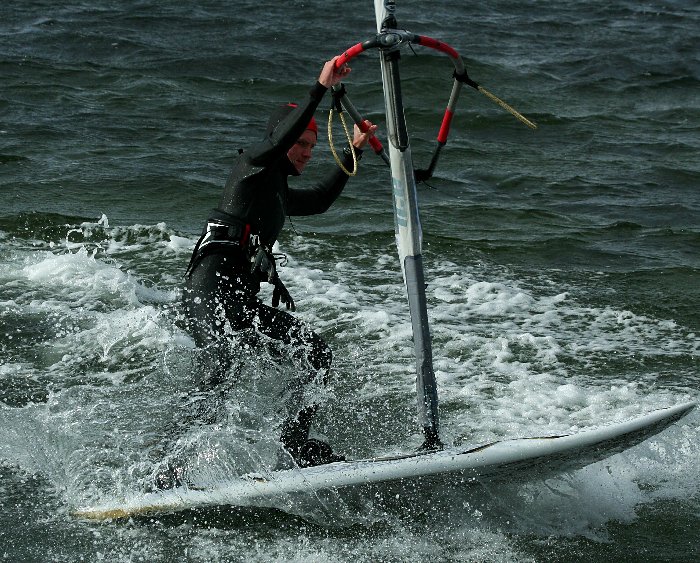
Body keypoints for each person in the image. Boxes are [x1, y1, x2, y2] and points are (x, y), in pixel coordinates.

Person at [156, 57, 377, 488]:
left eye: (313, 148)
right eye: (303, 146)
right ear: (283, 139)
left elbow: (318, 201)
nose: (308, 154)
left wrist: (352, 148)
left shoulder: (277, 188)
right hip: (208, 292)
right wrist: (319, 88)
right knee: (218, 367)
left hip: (238, 299)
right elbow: (281, 139)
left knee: (315, 354)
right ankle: (168, 469)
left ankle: (294, 445)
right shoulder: (253, 166)